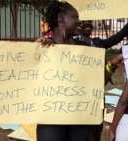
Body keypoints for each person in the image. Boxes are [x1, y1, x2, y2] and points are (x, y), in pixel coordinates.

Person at [35, 1, 92, 141]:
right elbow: (23, 75)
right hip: (50, 119)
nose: (79, 21)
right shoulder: (43, 47)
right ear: (61, 18)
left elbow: (95, 81)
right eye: (75, 17)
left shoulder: (84, 49)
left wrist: (111, 66)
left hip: (78, 117)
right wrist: (33, 51)